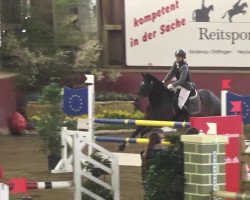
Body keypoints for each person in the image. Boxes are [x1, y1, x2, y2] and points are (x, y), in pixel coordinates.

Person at [162, 49, 195, 114]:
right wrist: (164, 81)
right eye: (176, 56)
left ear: (182, 57)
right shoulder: (176, 63)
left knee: (180, 105)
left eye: (179, 57)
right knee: (168, 91)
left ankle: (186, 116)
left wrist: (172, 85)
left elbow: (181, 80)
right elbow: (170, 74)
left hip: (186, 86)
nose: (177, 58)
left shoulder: (184, 67)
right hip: (179, 84)